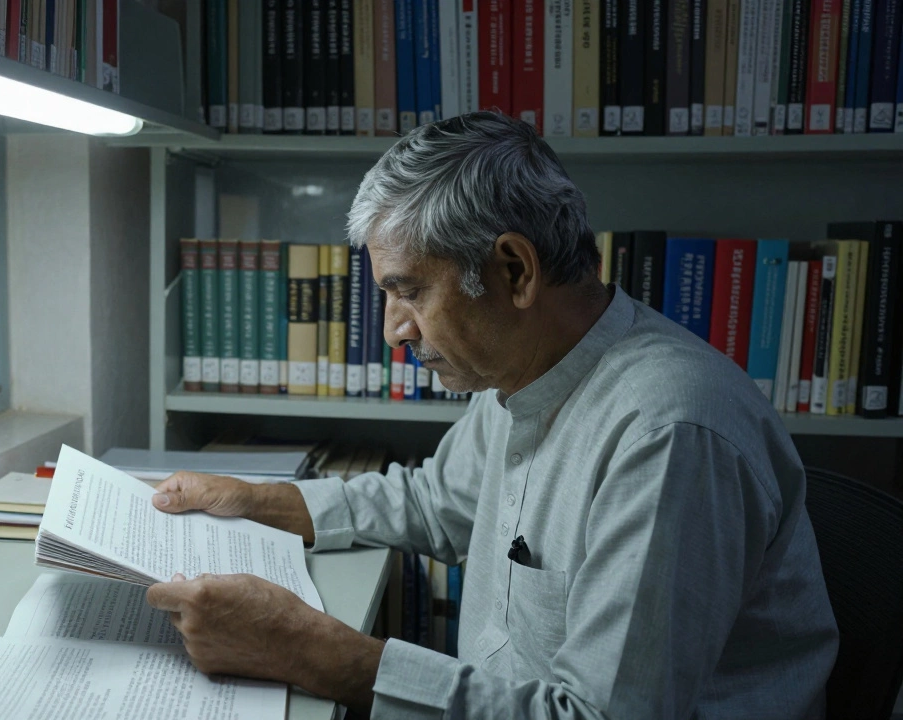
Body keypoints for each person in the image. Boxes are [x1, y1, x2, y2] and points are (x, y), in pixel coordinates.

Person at [144, 112, 839, 719]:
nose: (394, 331)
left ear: (514, 270)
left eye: (408, 291)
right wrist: (262, 502)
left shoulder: (669, 436)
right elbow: (438, 502)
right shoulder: (524, 369)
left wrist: (319, 654)